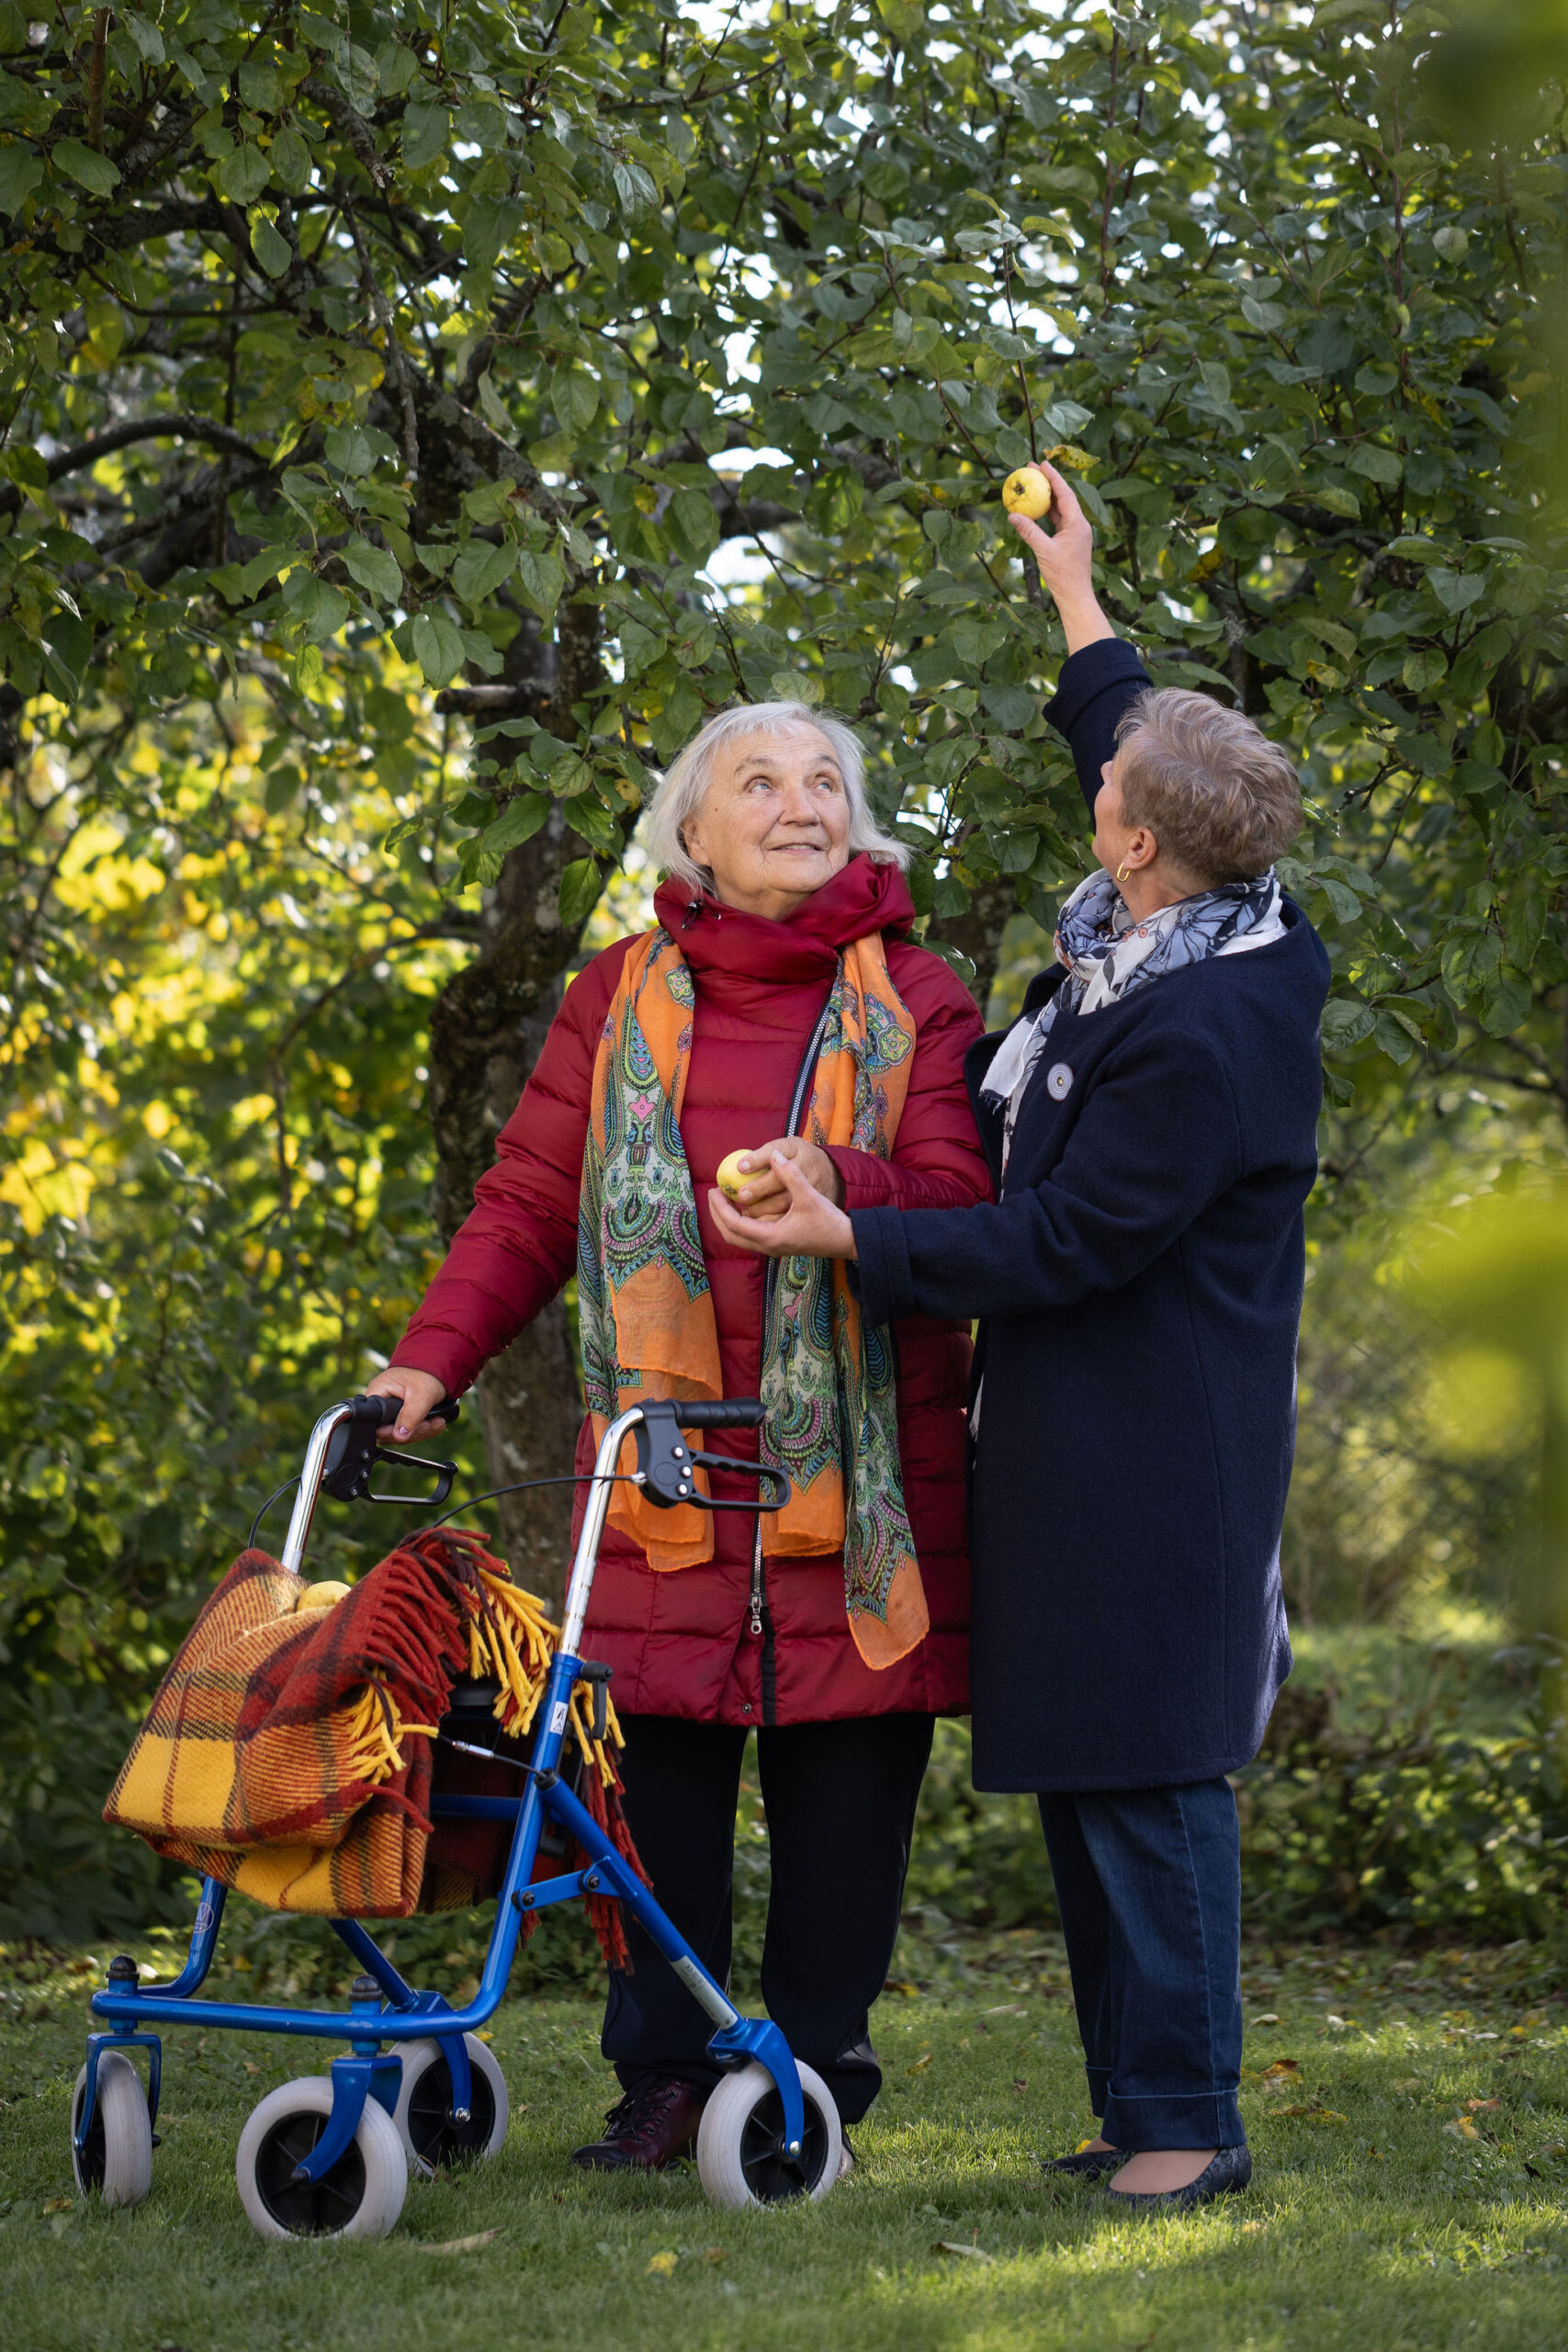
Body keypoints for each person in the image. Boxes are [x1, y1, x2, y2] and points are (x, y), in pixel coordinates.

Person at [712, 461, 1330, 2212]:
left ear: (1138, 842)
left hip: (1160, 1459)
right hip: (1082, 1448)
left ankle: (1191, 2125)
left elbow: (1059, 1241)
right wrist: (1076, 593)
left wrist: (854, 1228)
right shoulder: (1196, 914)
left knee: (1149, 1786)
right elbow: (1136, 735)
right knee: (1089, 1784)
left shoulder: (1200, 1032)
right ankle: (1142, 2107)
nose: (1101, 782)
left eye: (1112, 790)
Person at [368, 701, 989, 2172]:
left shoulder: (919, 996)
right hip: (661, 1468)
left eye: (828, 780)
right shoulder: (614, 994)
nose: (802, 803)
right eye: (761, 782)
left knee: (848, 1781)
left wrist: (835, 1176)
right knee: (649, 1780)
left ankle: (811, 2075)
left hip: (866, 1471)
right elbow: (524, 1206)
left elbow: (964, 1211)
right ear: (691, 832)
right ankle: (663, 2083)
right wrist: (423, 1370)